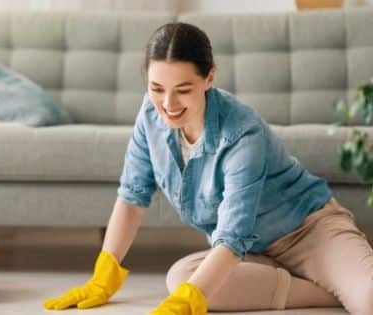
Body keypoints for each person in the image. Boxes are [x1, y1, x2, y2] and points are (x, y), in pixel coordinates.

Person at [43, 22, 373, 315]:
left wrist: (190, 302)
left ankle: (339, 283)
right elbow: (132, 197)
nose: (168, 105)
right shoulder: (150, 117)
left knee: (370, 298)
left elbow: (232, 235)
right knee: (182, 279)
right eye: (157, 89)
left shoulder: (243, 131)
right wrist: (105, 274)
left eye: (182, 90)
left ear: (209, 77)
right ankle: (325, 291)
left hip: (308, 232)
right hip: (252, 252)